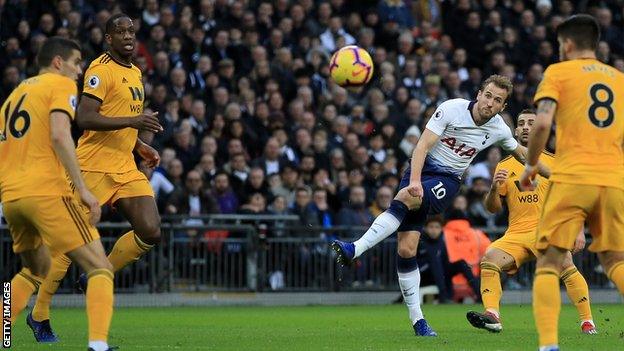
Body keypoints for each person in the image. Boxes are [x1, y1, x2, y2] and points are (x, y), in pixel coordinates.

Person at [332, 74, 550, 336]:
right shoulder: (451, 108)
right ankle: (419, 322)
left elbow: (523, 155)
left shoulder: (499, 129)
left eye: (498, 101)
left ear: (503, 107)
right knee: (406, 249)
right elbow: (422, 146)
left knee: (407, 199)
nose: (490, 103)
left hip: (447, 180)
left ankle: (354, 249)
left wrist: (558, 173)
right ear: (479, 93)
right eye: (488, 95)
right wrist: (413, 180)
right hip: (419, 171)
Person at [30, 13, 163, 341]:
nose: (127, 35)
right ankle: (38, 315)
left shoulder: (135, 72)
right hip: (92, 167)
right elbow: (86, 118)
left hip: (125, 167)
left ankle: (93, 276)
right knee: (64, 245)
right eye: (119, 31)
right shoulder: (100, 70)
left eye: (131, 30)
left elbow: (124, 118)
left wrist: (139, 146)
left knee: (150, 230)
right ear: (108, 39)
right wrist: (133, 125)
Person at [0, 37, 115, 351]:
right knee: (100, 267)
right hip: (47, 192)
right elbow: (60, 134)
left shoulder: (16, 95)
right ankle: (98, 346)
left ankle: (1, 333)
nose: (79, 71)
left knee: (36, 269)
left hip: (12, 198)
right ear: (57, 62)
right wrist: (84, 190)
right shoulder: (59, 84)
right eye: (77, 62)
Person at [519, 15, 624, 351]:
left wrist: (532, 164)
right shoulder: (620, 80)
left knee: (549, 262)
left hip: (572, 176)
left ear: (566, 44)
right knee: (615, 262)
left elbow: (542, 123)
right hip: (613, 179)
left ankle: (549, 345)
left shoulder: (558, 72)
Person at [467, 109, 596, 334]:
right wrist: (493, 189)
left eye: (531, 123)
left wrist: (578, 231)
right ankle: (492, 316)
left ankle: (587, 322)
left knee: (566, 264)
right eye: (522, 123)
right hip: (516, 234)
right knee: (489, 257)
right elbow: (493, 208)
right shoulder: (504, 165)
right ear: (515, 130)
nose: (526, 127)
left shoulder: (556, 162)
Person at [418, 216, 481, 303]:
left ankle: (479, 294)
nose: (434, 230)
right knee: (435, 261)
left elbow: (445, 263)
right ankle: (443, 297)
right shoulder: (421, 242)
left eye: (437, 227)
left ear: (441, 229)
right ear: (425, 228)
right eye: (431, 227)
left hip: (440, 274)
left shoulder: (441, 242)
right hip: (423, 275)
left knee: (461, 263)